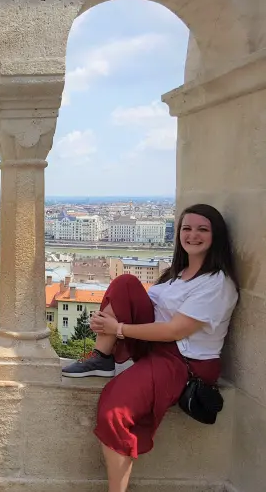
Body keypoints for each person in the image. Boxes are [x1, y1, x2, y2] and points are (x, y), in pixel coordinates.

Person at [61, 204, 239, 492]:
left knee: (113, 410)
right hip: (157, 346)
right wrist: (107, 320)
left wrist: (118, 329)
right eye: (187, 228)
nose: (192, 235)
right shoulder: (176, 274)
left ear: (216, 236)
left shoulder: (217, 284)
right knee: (125, 283)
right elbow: (149, 308)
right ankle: (101, 357)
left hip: (183, 360)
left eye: (202, 229)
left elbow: (175, 330)